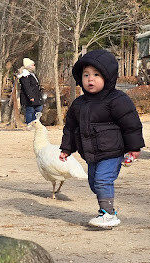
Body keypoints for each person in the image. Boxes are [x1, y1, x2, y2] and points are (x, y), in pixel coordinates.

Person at [59, 49, 144, 228]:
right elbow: (71, 128)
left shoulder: (117, 100)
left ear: (107, 76)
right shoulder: (79, 104)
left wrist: (134, 147)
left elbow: (131, 125)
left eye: (96, 75)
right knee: (94, 184)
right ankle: (108, 209)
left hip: (112, 152)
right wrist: (66, 148)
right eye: (86, 75)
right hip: (91, 154)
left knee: (102, 180)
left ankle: (108, 214)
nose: (90, 79)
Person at [18, 58, 43, 126]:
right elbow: (27, 87)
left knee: (39, 109)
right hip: (29, 97)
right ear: (28, 66)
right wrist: (30, 96)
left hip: (37, 95)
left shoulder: (32, 74)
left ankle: (36, 124)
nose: (34, 66)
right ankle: (30, 125)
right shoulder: (24, 75)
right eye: (32, 65)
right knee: (30, 110)